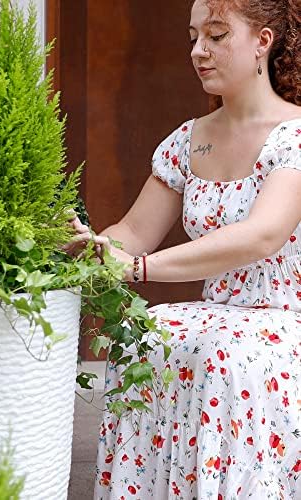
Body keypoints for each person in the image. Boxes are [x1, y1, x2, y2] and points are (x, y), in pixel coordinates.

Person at [65, 0, 300, 498]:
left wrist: (139, 268)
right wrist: (93, 245)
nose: (198, 51)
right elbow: (133, 231)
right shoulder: (188, 141)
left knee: (223, 354)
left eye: (216, 35)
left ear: (263, 41)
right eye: (194, 37)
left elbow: (262, 235)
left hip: (286, 318)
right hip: (221, 318)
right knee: (142, 337)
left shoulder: (296, 136)